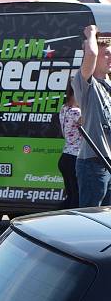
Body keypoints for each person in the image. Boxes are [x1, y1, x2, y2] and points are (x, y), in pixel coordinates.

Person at [74, 25, 111, 206]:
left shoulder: (107, 85)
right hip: (93, 163)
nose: (110, 58)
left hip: (108, 163)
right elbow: (91, 54)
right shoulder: (87, 83)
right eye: (107, 54)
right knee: (90, 219)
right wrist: (91, 33)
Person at [58, 81, 82, 209]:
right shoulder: (77, 112)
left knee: (72, 196)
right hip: (75, 157)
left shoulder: (64, 108)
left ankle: (55, 217)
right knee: (76, 197)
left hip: (65, 156)